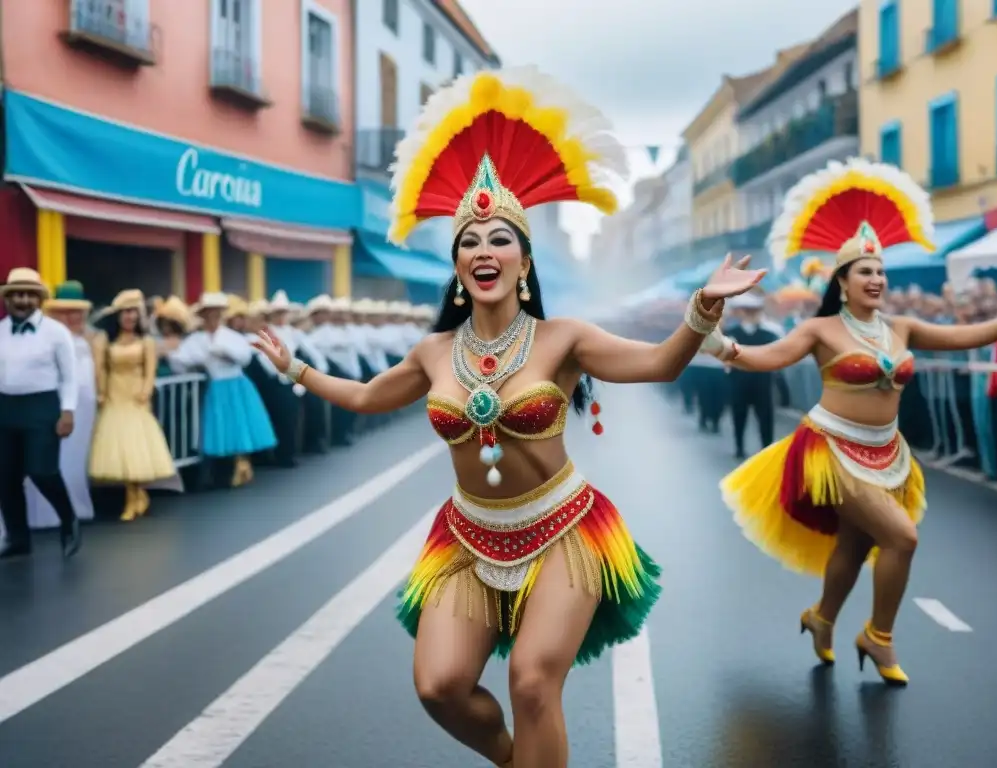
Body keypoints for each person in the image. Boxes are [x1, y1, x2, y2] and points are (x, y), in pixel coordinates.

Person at [252, 67, 764, 768]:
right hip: (467, 537)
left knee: (530, 682)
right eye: (469, 241)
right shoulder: (434, 351)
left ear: (523, 261)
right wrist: (294, 369)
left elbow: (659, 364)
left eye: (499, 240)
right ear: (457, 265)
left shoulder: (565, 339)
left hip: (564, 531)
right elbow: (371, 397)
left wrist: (703, 309)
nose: (483, 251)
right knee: (439, 686)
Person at [703, 158, 997, 687]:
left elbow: (973, 335)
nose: (876, 279)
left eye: (880, 272)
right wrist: (715, 338)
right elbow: (766, 358)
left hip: (888, 452)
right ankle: (878, 636)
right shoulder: (821, 329)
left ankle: (822, 619)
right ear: (844, 283)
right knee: (901, 538)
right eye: (865, 273)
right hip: (831, 450)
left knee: (854, 546)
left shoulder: (902, 325)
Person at [0, 267, 82, 559]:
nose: (22, 300)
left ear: (38, 299)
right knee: (6, 477)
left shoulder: (56, 332)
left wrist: (67, 411)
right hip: (6, 407)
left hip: (42, 407)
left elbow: (70, 376)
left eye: (29, 295)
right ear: (7, 299)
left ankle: (69, 520)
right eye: (16, 295)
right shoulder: (0, 331)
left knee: (41, 470)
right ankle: (18, 538)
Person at [166, 292, 277, 488]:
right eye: (209, 313)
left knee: (239, 423)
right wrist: (181, 356)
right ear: (203, 315)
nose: (212, 317)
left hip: (235, 384)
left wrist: (224, 351)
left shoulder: (231, 336)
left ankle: (241, 462)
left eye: (216, 313)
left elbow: (244, 357)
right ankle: (223, 469)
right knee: (218, 425)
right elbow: (179, 362)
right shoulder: (196, 339)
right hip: (215, 386)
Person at [89, 289, 178, 521]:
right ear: (117, 315)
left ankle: (136, 495)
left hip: (137, 396)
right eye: (125, 312)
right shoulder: (105, 340)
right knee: (121, 447)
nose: (129, 317)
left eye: (133, 312)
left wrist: (146, 391)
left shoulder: (146, 341)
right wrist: (101, 393)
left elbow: (151, 371)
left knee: (137, 447)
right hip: (115, 396)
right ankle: (134, 494)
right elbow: (100, 369)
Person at [27, 280, 97, 527]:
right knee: (51, 460)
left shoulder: (87, 340)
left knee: (77, 460)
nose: (72, 317)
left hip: (86, 408)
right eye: (65, 311)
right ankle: (47, 514)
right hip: (57, 407)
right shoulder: (47, 339)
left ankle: (77, 508)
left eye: (76, 311)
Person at [724, 291, 781, 459]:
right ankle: (739, 446)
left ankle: (767, 448)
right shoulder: (731, 333)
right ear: (742, 312)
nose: (753, 314)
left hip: (762, 382)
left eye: (755, 311)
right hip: (739, 381)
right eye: (749, 311)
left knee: (765, 417)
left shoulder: (769, 335)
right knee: (739, 415)